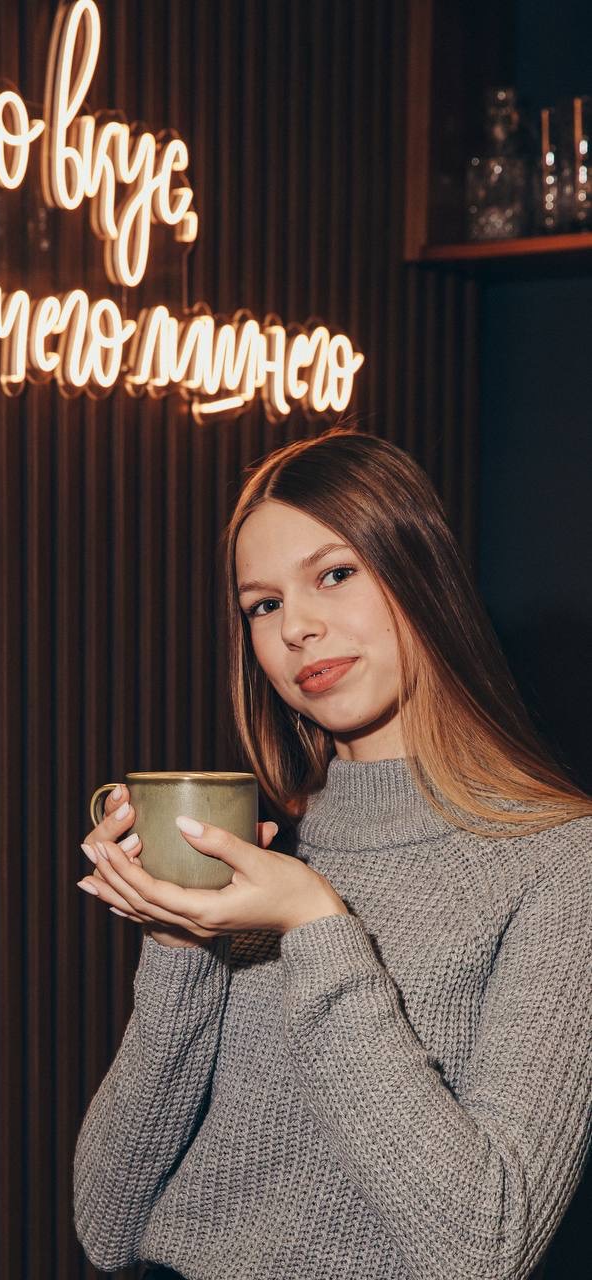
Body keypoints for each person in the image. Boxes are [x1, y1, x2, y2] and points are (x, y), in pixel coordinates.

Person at [73, 427, 592, 1280]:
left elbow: (485, 1250)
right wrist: (178, 945)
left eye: (334, 574)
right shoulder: (265, 854)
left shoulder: (558, 863)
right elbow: (106, 1222)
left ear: (420, 574)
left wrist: (317, 924)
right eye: (262, 605)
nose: (297, 629)